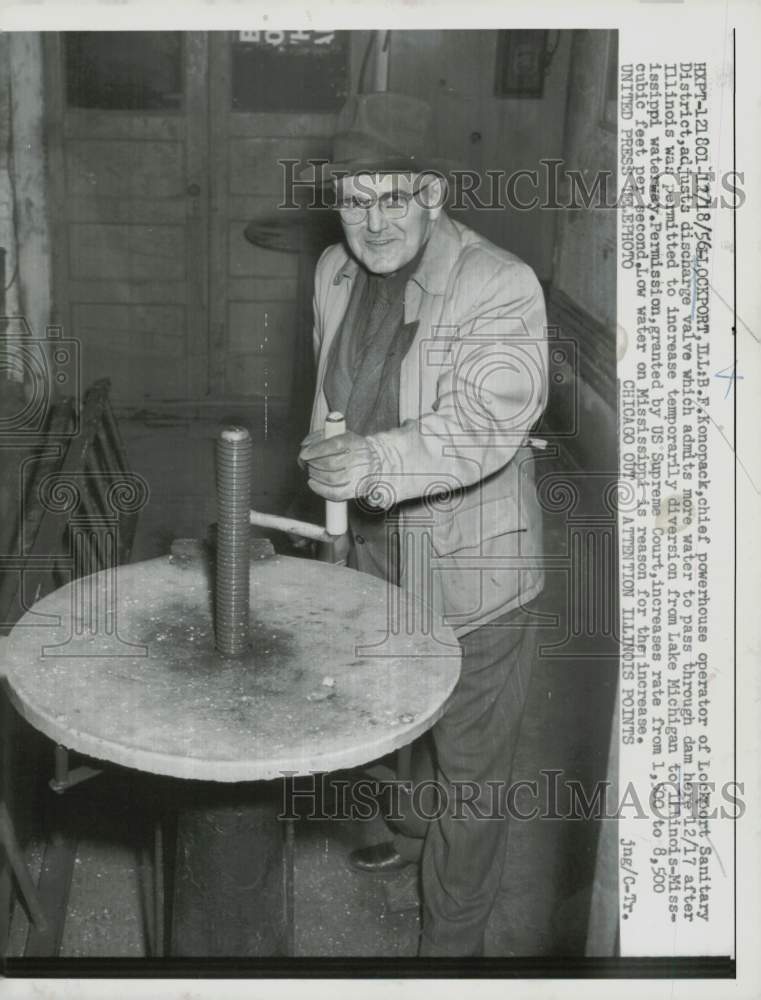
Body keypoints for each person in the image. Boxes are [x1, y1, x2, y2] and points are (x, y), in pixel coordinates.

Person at [297, 92, 548, 957]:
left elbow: (484, 421)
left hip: (473, 573)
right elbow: (329, 402)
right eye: (354, 199)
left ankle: (452, 953)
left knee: (472, 779)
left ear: (434, 195)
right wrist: (324, 456)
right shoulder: (332, 272)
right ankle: (397, 825)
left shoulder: (497, 284)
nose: (370, 222)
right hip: (372, 554)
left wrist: (370, 462)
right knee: (386, 712)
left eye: (392, 197)